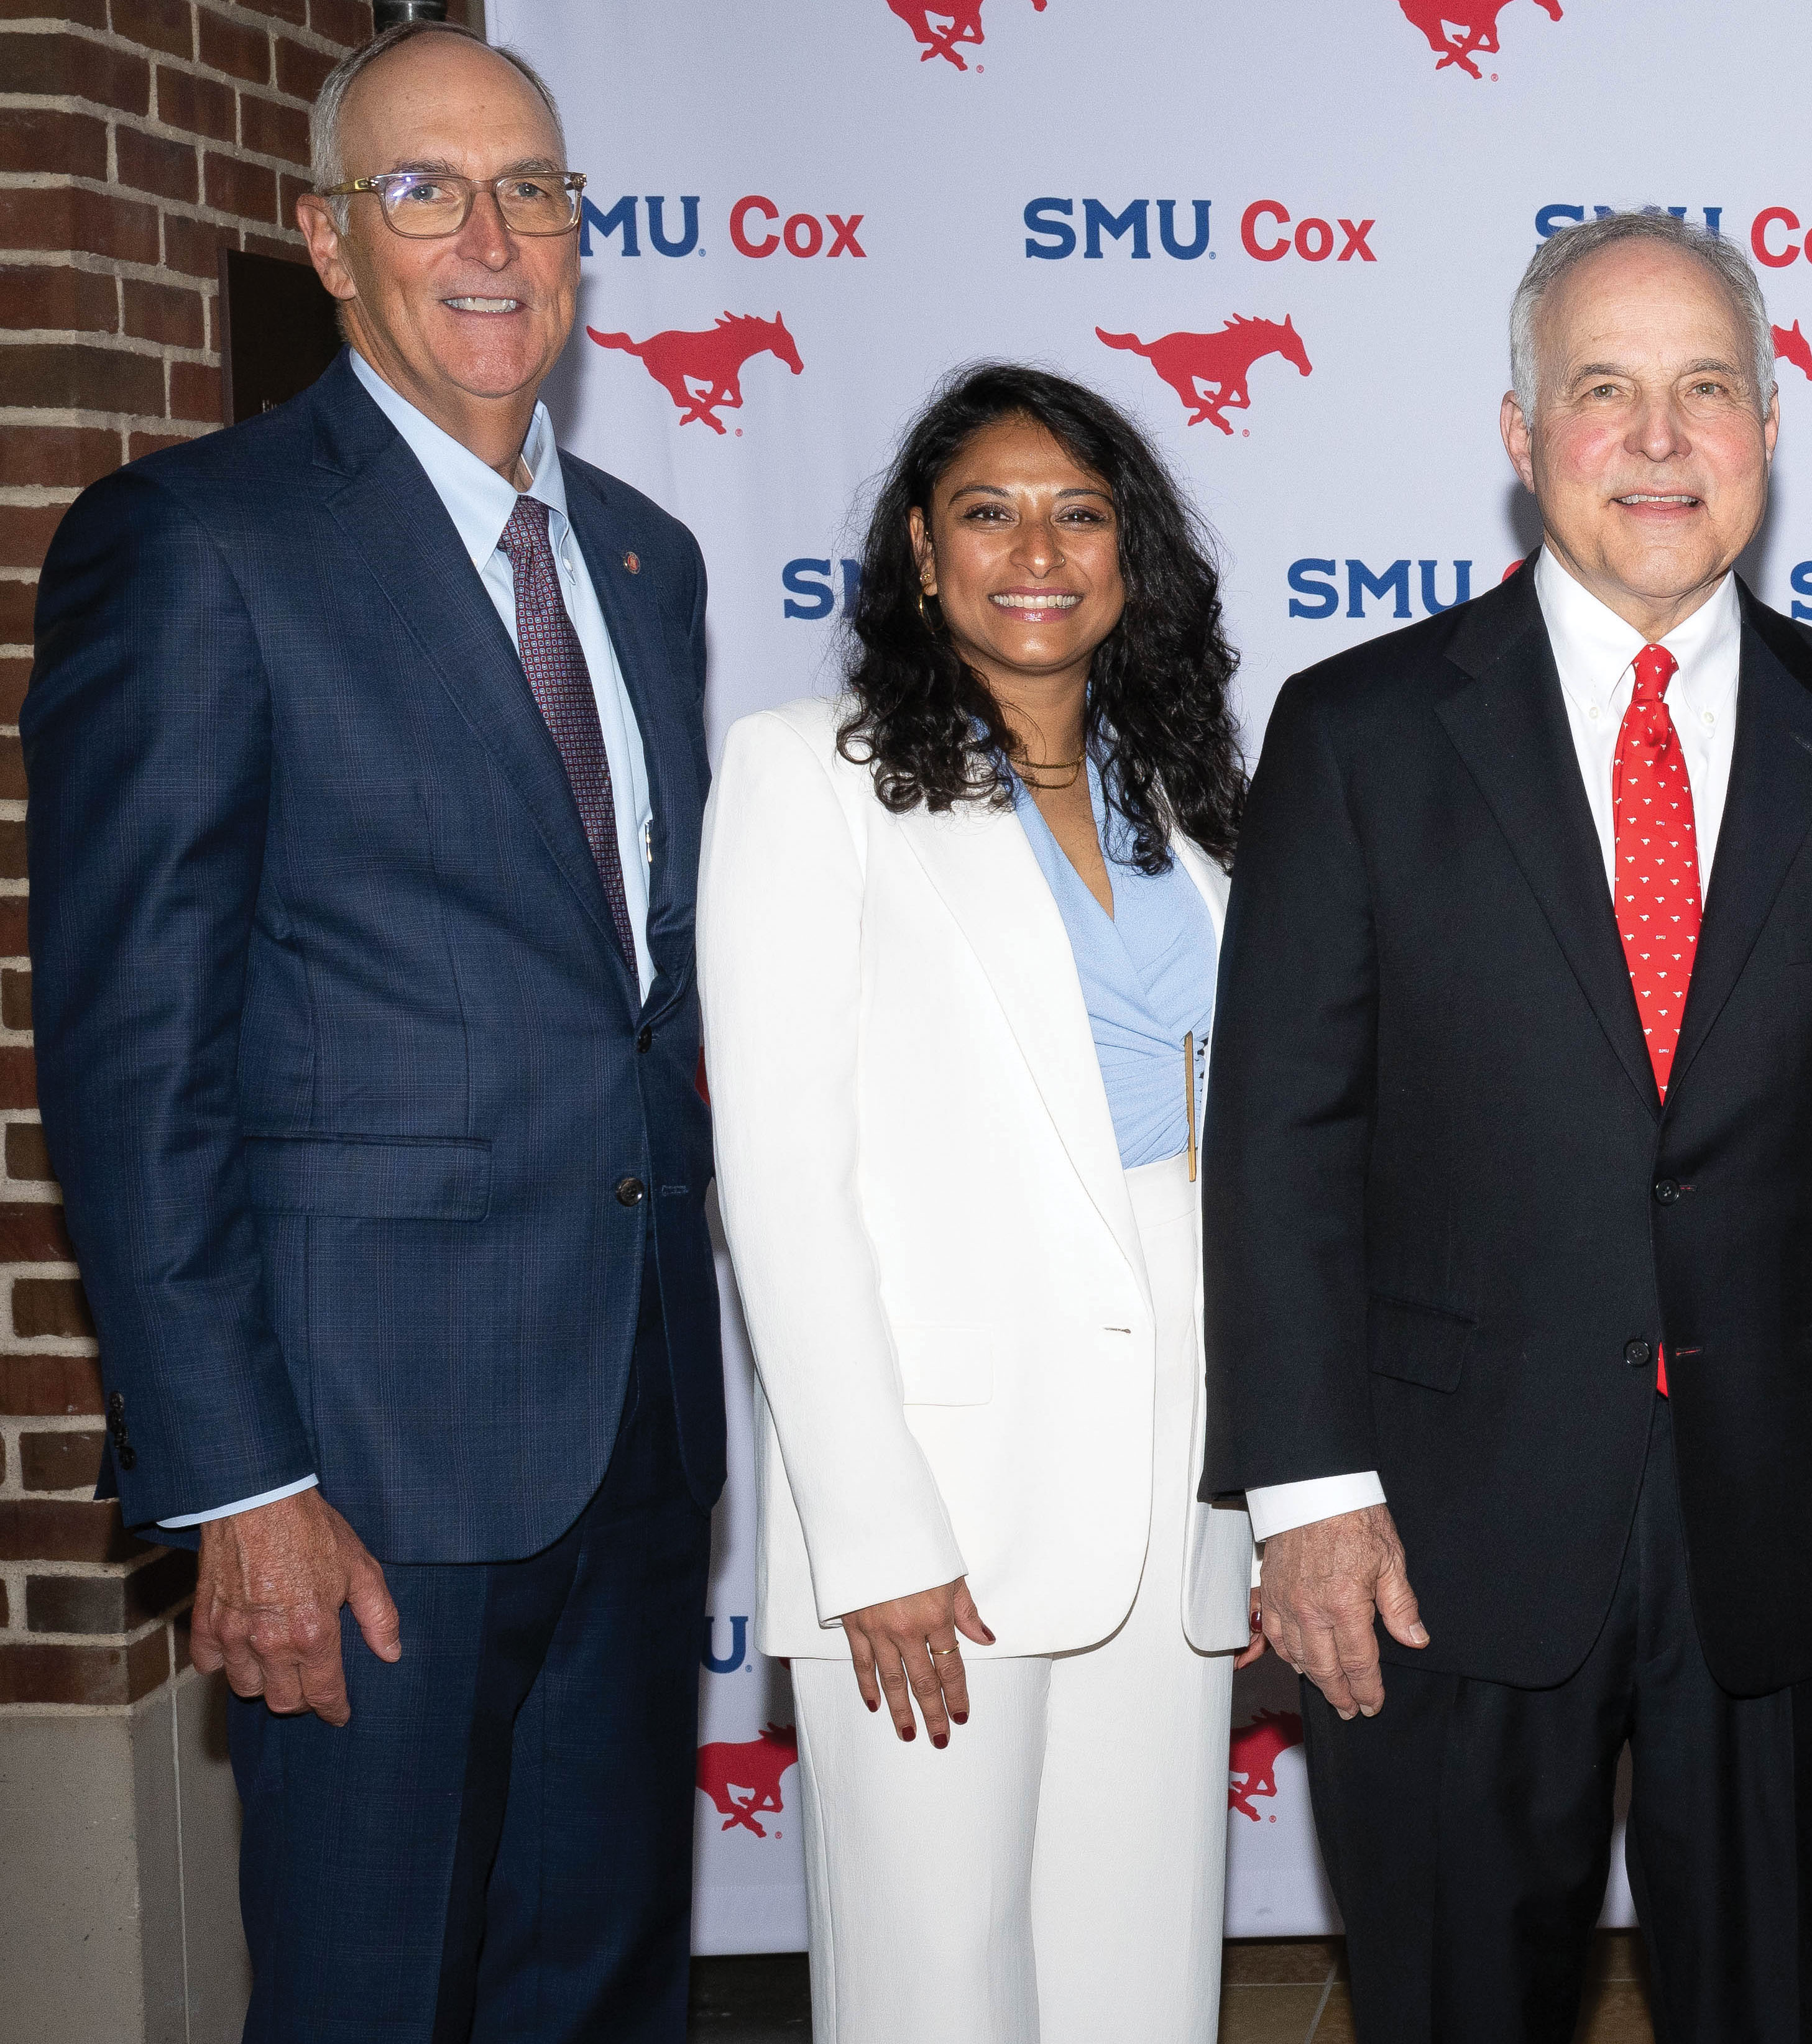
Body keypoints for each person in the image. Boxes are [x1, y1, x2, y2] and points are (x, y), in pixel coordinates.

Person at [1206, 206, 1812, 2044]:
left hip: (1797, 1528)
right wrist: (1309, 1493)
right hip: (1435, 1535)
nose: (1659, 439)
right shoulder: (1357, 734)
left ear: (1767, 426)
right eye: (1603, 391)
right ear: (1519, 437)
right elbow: (1281, 1138)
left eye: (1705, 389)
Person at [24, 24, 718, 2039]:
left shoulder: (648, 564)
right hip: (363, 1474)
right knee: (368, 1998)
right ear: (330, 242)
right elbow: (133, 1059)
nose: (490, 238)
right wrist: (238, 1480)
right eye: (426, 191)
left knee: (594, 1996)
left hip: (637, 1430)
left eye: (533, 190)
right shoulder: (197, 544)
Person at [702, 365, 1256, 2043]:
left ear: (1130, 557)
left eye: (1079, 513)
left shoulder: (1189, 800)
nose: (1037, 549)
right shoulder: (810, 776)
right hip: (935, 1498)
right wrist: (872, 1530)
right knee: (932, 1987)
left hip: (1172, 1487)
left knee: (1140, 1978)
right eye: (988, 512)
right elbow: (782, 1178)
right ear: (922, 555)